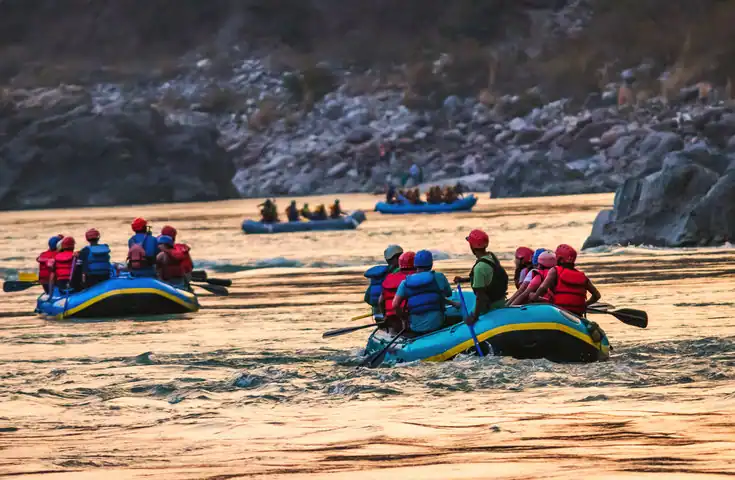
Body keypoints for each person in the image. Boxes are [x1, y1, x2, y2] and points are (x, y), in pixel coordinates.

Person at [453, 229, 508, 325]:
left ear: (472, 246)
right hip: (500, 302)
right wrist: (464, 280)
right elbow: (488, 277)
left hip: (489, 307)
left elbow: (481, 297)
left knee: (464, 321)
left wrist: (474, 317)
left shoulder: (479, 267)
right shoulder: (491, 257)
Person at [393, 250, 454, 334]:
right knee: (457, 318)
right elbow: (449, 294)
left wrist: (404, 319)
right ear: (431, 264)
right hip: (437, 324)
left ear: (415, 265)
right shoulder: (439, 277)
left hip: (416, 327)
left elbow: (395, 305)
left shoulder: (405, 282)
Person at [530, 244, 601, 316]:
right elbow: (597, 296)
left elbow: (543, 288)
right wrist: (585, 305)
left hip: (559, 312)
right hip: (577, 314)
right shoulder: (583, 277)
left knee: (531, 295)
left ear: (560, 259)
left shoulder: (555, 271)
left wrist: (535, 297)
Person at [378, 251, 416, 333]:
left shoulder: (389, 277)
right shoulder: (415, 278)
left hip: (391, 317)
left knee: (396, 330)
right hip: (407, 316)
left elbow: (380, 301)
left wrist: (384, 316)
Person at [364, 245, 403, 312]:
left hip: (377, 313)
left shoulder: (378, 275)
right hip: (390, 313)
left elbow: (367, 298)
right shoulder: (397, 274)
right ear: (397, 257)